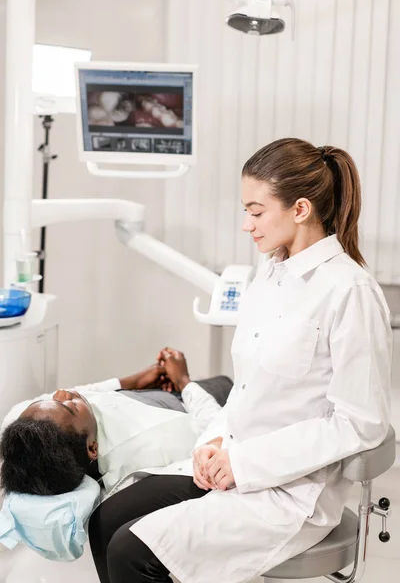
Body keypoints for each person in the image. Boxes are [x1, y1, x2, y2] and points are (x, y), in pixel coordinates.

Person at [91, 138, 392, 583]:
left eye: (255, 210)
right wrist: (213, 444)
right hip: (233, 459)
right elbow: (249, 388)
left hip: (291, 487)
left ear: (301, 209)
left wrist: (245, 464)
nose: (246, 224)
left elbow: (359, 423)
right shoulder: (268, 273)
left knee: (131, 552)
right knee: (106, 520)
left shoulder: (349, 291)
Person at [0, 348, 232, 498]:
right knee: (228, 384)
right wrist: (184, 381)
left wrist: (133, 381)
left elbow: (75, 393)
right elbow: (217, 426)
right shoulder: (148, 451)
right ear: (93, 448)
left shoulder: (21, 421)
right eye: (69, 406)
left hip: (141, 396)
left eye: (49, 399)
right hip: (193, 407)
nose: (62, 392)